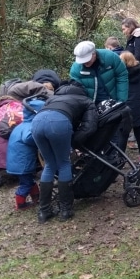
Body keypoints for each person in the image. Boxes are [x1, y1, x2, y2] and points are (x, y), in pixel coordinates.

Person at [30, 81, 98, 223]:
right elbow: (90, 126)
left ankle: (44, 211)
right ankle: (65, 210)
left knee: (49, 164)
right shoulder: (85, 100)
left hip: (36, 123)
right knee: (63, 164)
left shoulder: (53, 98)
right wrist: (75, 141)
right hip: (59, 123)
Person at [6, 76, 54, 210]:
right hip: (22, 162)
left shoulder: (22, 124)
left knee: (29, 181)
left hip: (16, 160)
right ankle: (20, 203)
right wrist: (42, 140)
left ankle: (36, 198)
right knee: (25, 184)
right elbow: (29, 138)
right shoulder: (31, 126)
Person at [70, 41, 129, 105]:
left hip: (112, 101)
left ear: (94, 54)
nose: (84, 62)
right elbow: (77, 91)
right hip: (91, 105)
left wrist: (121, 100)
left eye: (87, 59)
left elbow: (122, 75)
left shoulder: (110, 57)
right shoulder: (76, 68)